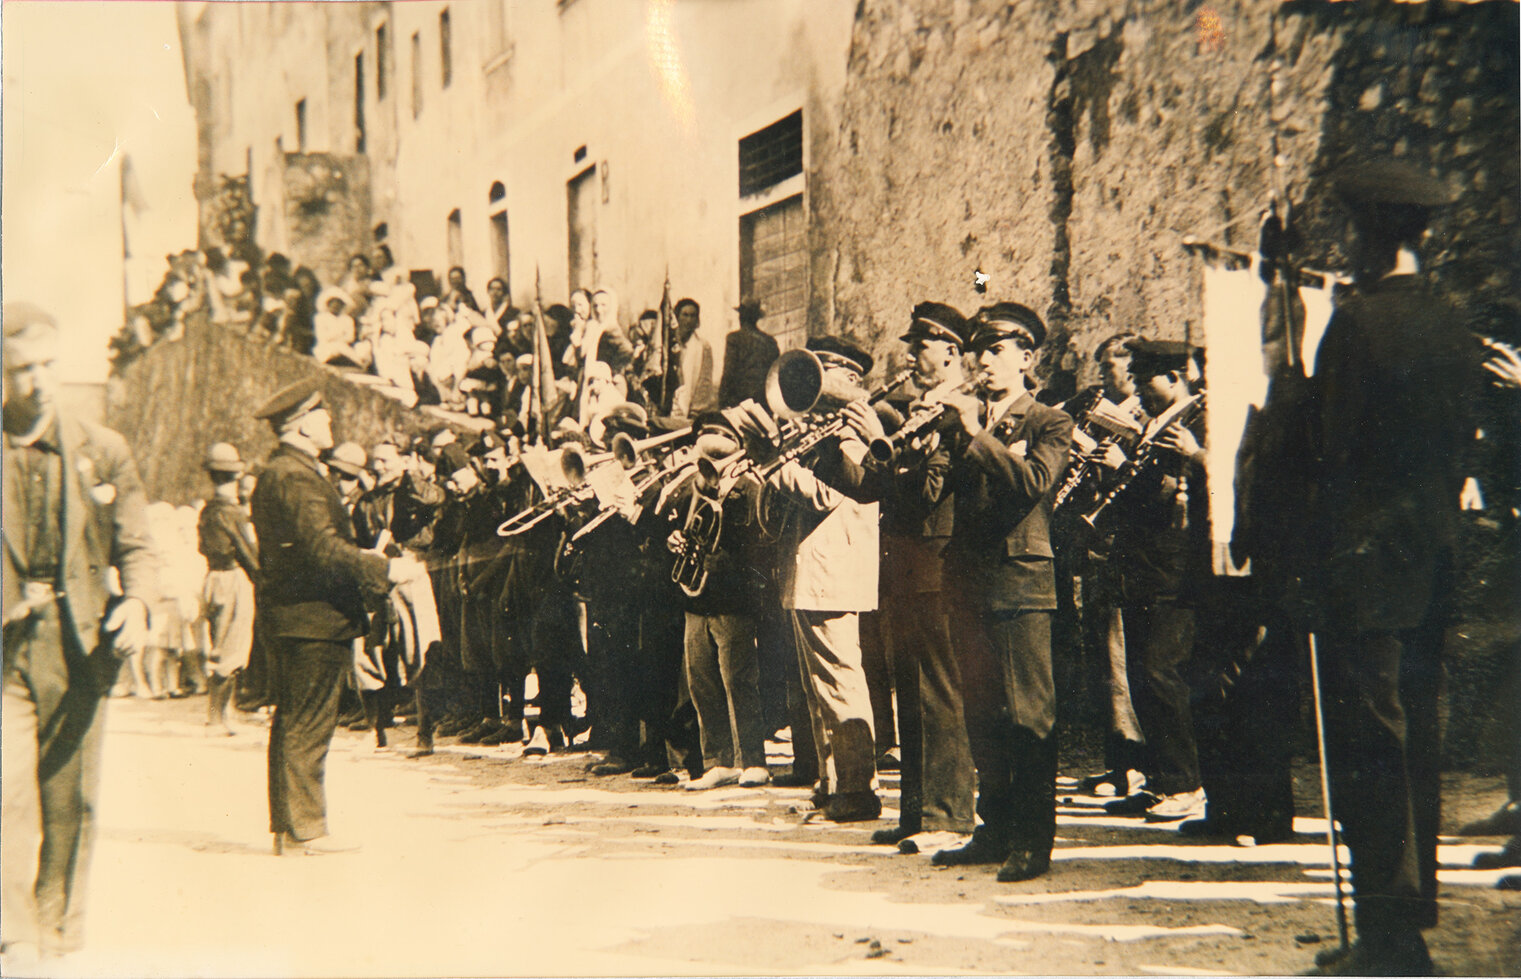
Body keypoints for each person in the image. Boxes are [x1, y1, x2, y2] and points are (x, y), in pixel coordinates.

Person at [1297, 160, 1480, 976]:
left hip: (1367, 560)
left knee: (1372, 741)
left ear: (1367, 235)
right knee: (1419, 736)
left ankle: (1389, 939)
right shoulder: (1453, 321)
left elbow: (1332, 453)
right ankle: (1413, 915)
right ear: (1425, 234)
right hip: (1435, 556)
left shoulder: (1355, 323)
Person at [1, 303, 154, 965]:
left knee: (71, 799)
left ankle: (58, 927)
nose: (35, 381)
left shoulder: (104, 449)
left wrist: (140, 603)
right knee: (4, 791)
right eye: (19, 369)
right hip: (6, 651)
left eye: (46, 365)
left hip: (76, 645)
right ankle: (15, 934)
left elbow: (138, 546)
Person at [927, 302, 1073, 883]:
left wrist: (971, 433)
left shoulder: (1049, 422)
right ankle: (995, 829)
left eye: (995, 350)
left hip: (1021, 581)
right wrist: (927, 440)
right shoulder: (962, 421)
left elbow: (1033, 484)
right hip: (967, 581)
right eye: (977, 351)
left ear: (1026, 358)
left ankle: (1034, 842)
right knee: (982, 711)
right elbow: (929, 495)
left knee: (1029, 715)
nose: (981, 361)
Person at [249, 377, 422, 856]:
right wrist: (386, 568)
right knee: (308, 724)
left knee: (293, 723)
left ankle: (290, 828)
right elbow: (323, 549)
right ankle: (307, 831)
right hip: (313, 620)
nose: (330, 422)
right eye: (322, 415)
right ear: (302, 424)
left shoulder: (282, 471)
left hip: (295, 618)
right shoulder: (297, 476)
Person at [860, 302, 977, 847]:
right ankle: (916, 811)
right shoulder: (920, 409)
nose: (910, 355)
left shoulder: (958, 409)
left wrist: (887, 462)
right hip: (904, 563)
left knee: (939, 691)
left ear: (951, 351)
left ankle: (948, 816)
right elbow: (879, 490)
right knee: (910, 686)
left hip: (937, 560)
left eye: (921, 346)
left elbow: (928, 494)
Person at [1099, 339, 1210, 825]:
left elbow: (1171, 494)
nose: (1139, 390)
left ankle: (1187, 782)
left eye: (1147, 380)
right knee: (1144, 673)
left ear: (1175, 377)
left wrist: (1123, 469)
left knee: (1163, 671)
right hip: (1143, 562)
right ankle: (1162, 779)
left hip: (1174, 565)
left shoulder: (1197, 419)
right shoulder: (1154, 423)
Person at [197, 442, 260, 736]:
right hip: (233, 579)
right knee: (233, 650)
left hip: (212, 577)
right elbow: (247, 552)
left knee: (219, 645)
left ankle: (220, 714)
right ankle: (217, 717)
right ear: (235, 476)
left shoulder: (207, 510)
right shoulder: (233, 513)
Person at [717, 300, 780, 409]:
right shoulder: (770, 341)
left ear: (741, 317)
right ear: (756, 318)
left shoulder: (734, 338)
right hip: (764, 400)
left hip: (740, 401)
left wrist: (722, 401)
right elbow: (775, 373)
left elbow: (729, 371)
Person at [671, 298, 717, 418]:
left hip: (690, 410)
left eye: (693, 316)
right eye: (685, 315)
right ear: (677, 317)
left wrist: (696, 411)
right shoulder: (668, 343)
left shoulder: (702, 347)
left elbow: (704, 381)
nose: (688, 320)